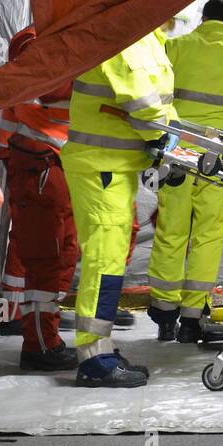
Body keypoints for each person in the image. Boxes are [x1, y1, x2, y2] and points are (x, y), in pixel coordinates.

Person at [62, 30, 175, 387]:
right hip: (101, 166)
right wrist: (164, 137)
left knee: (110, 261)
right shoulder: (127, 35)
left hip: (115, 165)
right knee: (103, 262)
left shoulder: (149, 35)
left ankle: (100, 348)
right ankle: (93, 359)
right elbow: (141, 101)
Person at [147, 0, 223, 343]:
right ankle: (192, 317)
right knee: (208, 234)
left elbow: (153, 94)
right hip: (218, 154)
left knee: (172, 229)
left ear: (203, 18)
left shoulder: (176, 46)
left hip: (178, 150)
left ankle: (164, 312)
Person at [0, 26, 78, 370]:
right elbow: (54, 90)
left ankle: (45, 336)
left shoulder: (45, 48)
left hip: (50, 170)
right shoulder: (39, 54)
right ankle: (40, 346)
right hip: (40, 172)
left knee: (60, 256)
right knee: (45, 262)